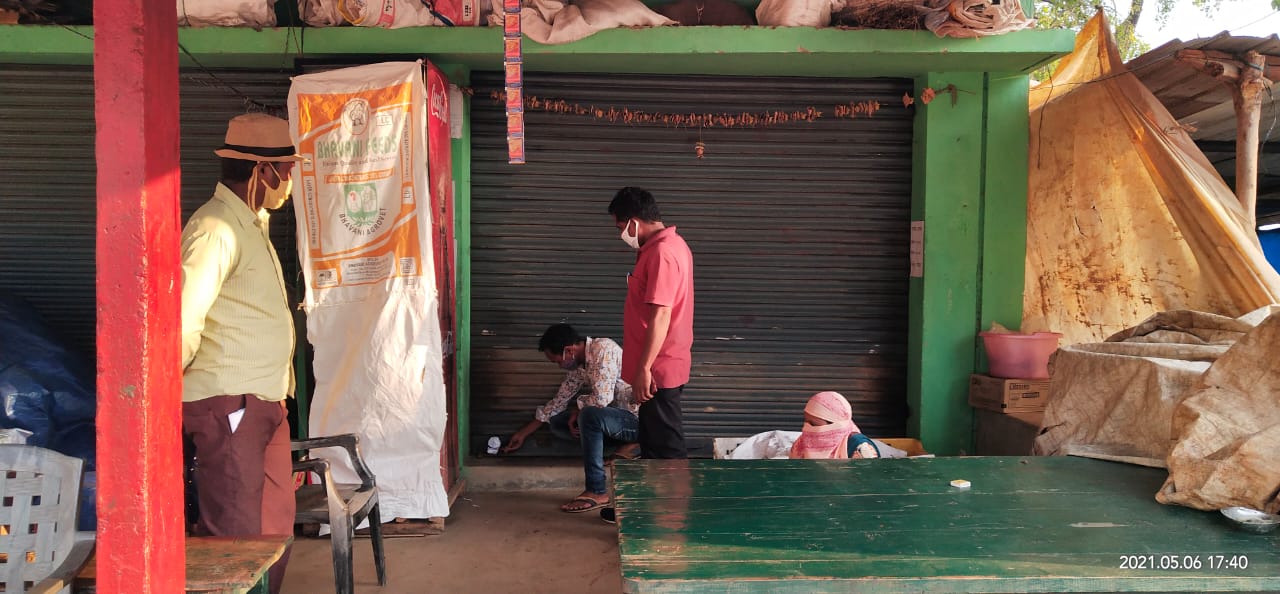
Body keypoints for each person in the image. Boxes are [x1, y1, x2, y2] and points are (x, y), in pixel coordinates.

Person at [180, 113, 302, 594]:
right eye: (286, 171)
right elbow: (183, 319)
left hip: (264, 402)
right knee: (234, 533)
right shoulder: (214, 228)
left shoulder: (251, 223)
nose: (289, 182)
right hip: (229, 402)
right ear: (260, 170)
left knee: (272, 528)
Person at [503, 323, 640, 512]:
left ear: (569, 350)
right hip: (613, 421)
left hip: (635, 421)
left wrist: (578, 408)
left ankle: (597, 490)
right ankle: (626, 448)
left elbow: (601, 400)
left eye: (558, 361)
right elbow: (559, 401)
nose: (560, 366)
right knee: (559, 422)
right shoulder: (579, 366)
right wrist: (524, 433)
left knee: (589, 415)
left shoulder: (603, 349)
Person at [609, 186, 695, 459]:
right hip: (655, 368)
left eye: (621, 226)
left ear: (634, 223)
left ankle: (676, 501)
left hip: (658, 370)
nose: (620, 233)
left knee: (667, 451)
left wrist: (644, 368)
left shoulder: (663, 253)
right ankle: (654, 501)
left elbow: (661, 314)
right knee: (653, 446)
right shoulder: (666, 247)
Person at [789, 391, 880, 459]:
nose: (807, 428)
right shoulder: (802, 443)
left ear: (835, 424)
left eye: (813, 424)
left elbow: (870, 481)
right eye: (806, 421)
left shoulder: (859, 448)